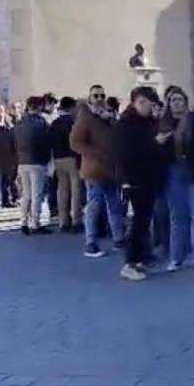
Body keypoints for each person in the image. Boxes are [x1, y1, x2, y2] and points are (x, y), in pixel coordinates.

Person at [160, 88, 194, 273]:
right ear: (168, 103)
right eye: (173, 100)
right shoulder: (163, 122)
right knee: (177, 217)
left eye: (180, 99)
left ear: (185, 101)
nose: (176, 103)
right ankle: (176, 257)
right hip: (172, 171)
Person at [115, 86, 166, 281]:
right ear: (134, 103)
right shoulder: (126, 125)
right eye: (141, 102)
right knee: (136, 223)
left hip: (149, 178)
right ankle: (129, 263)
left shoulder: (149, 122)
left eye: (149, 102)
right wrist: (125, 180)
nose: (145, 106)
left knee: (143, 222)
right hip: (134, 180)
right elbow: (125, 154)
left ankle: (138, 259)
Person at [71, 85, 126, 258]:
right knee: (95, 205)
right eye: (96, 96)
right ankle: (91, 242)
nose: (100, 99)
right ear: (90, 99)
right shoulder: (85, 119)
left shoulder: (108, 118)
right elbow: (75, 142)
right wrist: (95, 153)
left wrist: (112, 120)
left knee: (114, 204)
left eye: (102, 95)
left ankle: (118, 238)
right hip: (94, 169)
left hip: (111, 169)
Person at [14, 96, 52, 235]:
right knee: (37, 194)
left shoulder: (19, 123)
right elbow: (47, 141)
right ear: (39, 107)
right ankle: (35, 223)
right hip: (38, 161)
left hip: (22, 161)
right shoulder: (41, 122)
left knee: (26, 194)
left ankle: (23, 222)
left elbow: (14, 142)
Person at [50, 97, 82, 233]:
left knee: (62, 189)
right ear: (71, 108)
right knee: (75, 190)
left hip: (58, 158)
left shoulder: (54, 123)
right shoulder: (74, 122)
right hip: (72, 157)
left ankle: (63, 220)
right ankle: (76, 220)